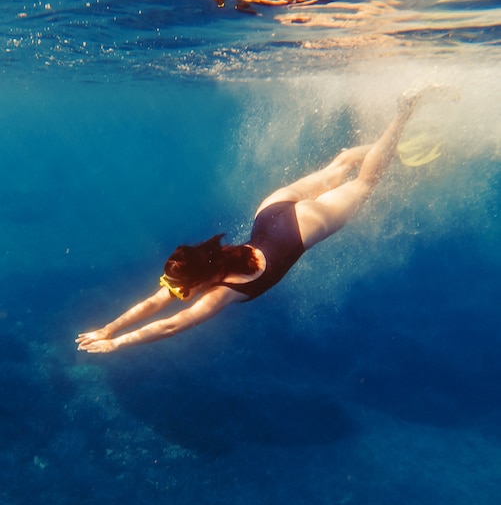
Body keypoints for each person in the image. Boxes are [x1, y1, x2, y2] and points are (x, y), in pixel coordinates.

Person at [76, 91, 421, 354]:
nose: (177, 295)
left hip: (301, 228)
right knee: (340, 164)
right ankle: (388, 144)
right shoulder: (204, 263)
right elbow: (154, 304)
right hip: (270, 212)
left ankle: (404, 114)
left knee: (364, 183)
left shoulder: (222, 294)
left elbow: (170, 325)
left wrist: (116, 344)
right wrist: (109, 328)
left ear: (199, 280)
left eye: (180, 290)